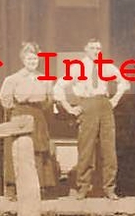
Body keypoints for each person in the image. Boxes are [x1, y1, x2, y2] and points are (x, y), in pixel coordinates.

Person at [54, 37, 129, 200]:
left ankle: (109, 188)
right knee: (86, 148)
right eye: (93, 48)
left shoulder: (107, 66)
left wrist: (115, 99)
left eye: (98, 48)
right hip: (87, 105)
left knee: (109, 148)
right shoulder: (77, 67)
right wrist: (69, 108)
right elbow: (59, 86)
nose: (96, 51)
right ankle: (82, 187)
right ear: (86, 49)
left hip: (104, 105)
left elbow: (124, 82)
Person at [0, 41, 61, 192]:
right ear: (23, 60)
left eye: (35, 59)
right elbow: (5, 99)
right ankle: (14, 189)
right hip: (19, 114)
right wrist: (17, 110)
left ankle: (38, 188)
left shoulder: (45, 78)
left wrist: (37, 110)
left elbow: (48, 99)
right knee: (18, 150)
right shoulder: (13, 79)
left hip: (38, 115)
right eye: (29, 59)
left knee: (38, 150)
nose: (32, 62)